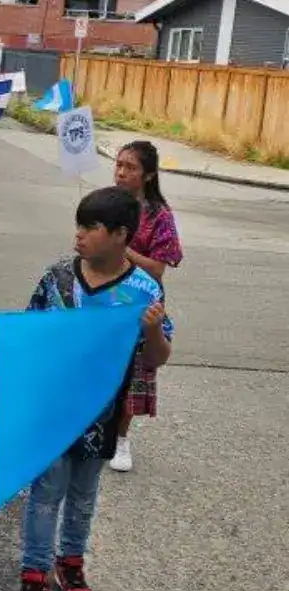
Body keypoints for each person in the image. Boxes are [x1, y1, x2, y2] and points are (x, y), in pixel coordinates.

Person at [11, 187, 173, 591]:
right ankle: (33, 573)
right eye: (78, 225)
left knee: (83, 495)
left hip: (102, 414)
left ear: (121, 235)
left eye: (90, 227)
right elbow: (28, 334)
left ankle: (71, 564)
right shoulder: (59, 277)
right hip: (53, 407)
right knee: (46, 493)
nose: (78, 235)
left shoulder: (143, 289)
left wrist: (154, 331)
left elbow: (157, 357)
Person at [110, 140, 183, 472]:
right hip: (103, 298)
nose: (122, 172)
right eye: (119, 164)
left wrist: (122, 248)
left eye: (131, 167)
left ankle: (121, 438)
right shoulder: (107, 204)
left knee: (133, 369)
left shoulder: (159, 216)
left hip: (140, 302)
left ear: (149, 175)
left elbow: (157, 268)